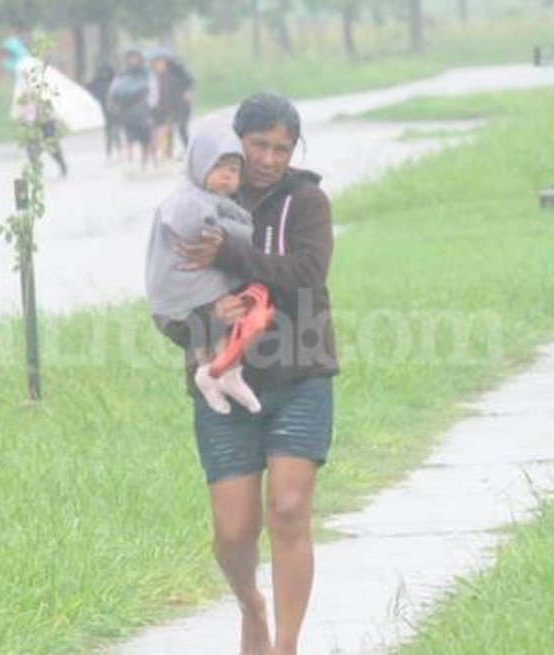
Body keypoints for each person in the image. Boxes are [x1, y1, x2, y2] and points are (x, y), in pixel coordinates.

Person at [164, 92, 337, 655]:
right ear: (235, 142)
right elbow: (167, 297)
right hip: (222, 383)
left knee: (288, 510)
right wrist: (204, 322)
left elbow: (307, 274)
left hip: (301, 376)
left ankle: (285, 645)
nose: (268, 159)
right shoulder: (198, 203)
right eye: (258, 145)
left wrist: (231, 257)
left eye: (281, 148)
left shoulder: (306, 201)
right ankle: (251, 607)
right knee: (233, 534)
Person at [146, 126, 268, 416]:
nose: (227, 176)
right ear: (198, 164)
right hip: (182, 295)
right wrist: (240, 232)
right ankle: (220, 374)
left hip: (193, 293)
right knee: (222, 320)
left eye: (234, 169)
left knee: (225, 327)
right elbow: (199, 228)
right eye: (218, 167)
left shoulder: (211, 200)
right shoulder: (188, 199)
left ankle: (213, 373)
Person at [107, 49, 155, 168]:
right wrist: (113, 106)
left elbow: (154, 92)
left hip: (144, 112)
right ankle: (130, 163)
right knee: (129, 139)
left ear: (140, 60)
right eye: (130, 58)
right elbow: (113, 92)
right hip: (126, 113)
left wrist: (151, 107)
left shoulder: (148, 75)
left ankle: (145, 163)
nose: (133, 61)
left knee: (146, 139)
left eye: (135, 58)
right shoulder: (121, 76)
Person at [86, 64, 120, 160]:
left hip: (112, 110)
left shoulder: (114, 83)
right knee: (110, 131)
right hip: (104, 110)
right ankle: (111, 150)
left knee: (113, 131)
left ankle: (116, 149)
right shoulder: (97, 84)